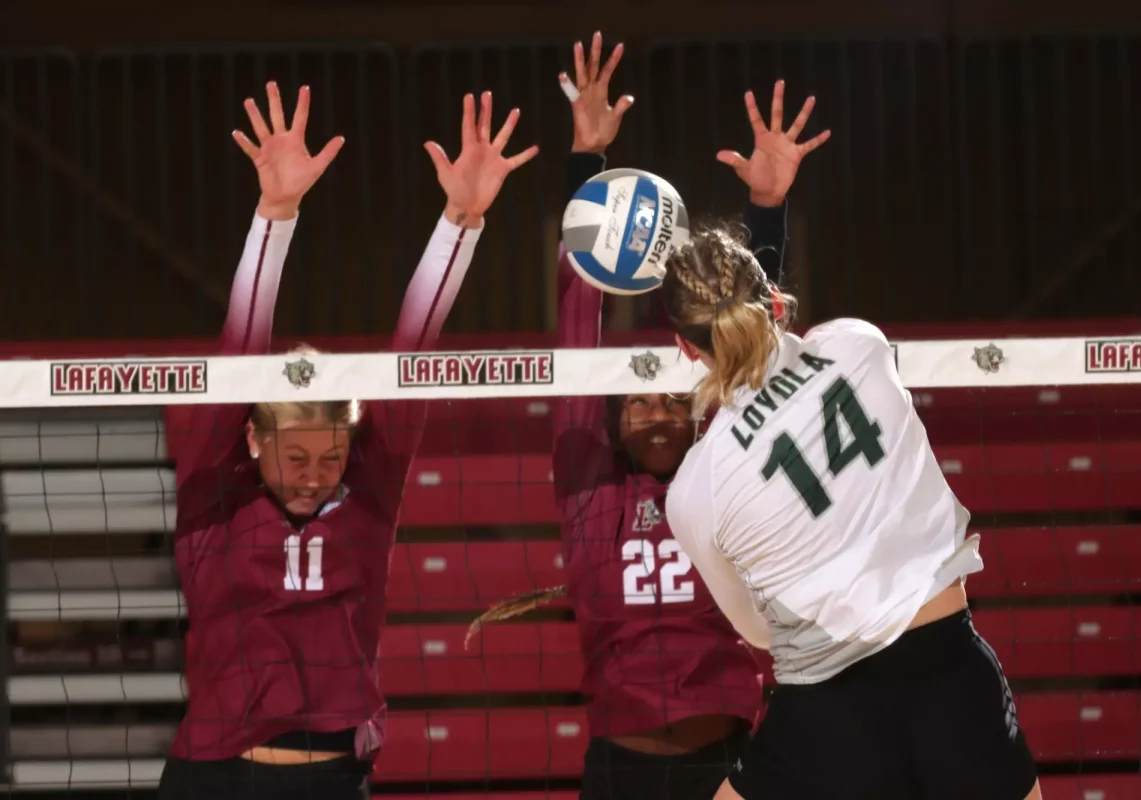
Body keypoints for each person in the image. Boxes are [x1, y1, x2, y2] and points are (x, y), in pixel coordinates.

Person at [468, 33, 829, 800]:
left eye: (675, 396)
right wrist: (586, 169)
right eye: (639, 399)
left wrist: (768, 206)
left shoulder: (723, 456)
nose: (661, 412)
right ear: (611, 413)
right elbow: (577, 325)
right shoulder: (588, 484)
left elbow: (754, 338)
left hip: (732, 760)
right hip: (619, 769)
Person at [158, 81, 537, 800]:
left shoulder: (368, 495)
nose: (314, 475)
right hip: (209, 778)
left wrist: (460, 220)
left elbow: (413, 352)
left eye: (331, 456)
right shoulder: (214, 489)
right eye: (296, 458)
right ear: (251, 437)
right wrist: (276, 214)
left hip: (329, 781)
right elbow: (242, 350)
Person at [659, 234, 1042, 795]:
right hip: (949, 673)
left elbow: (756, 633)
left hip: (828, 715)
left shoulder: (698, 486)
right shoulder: (859, 344)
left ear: (686, 348)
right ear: (776, 302)